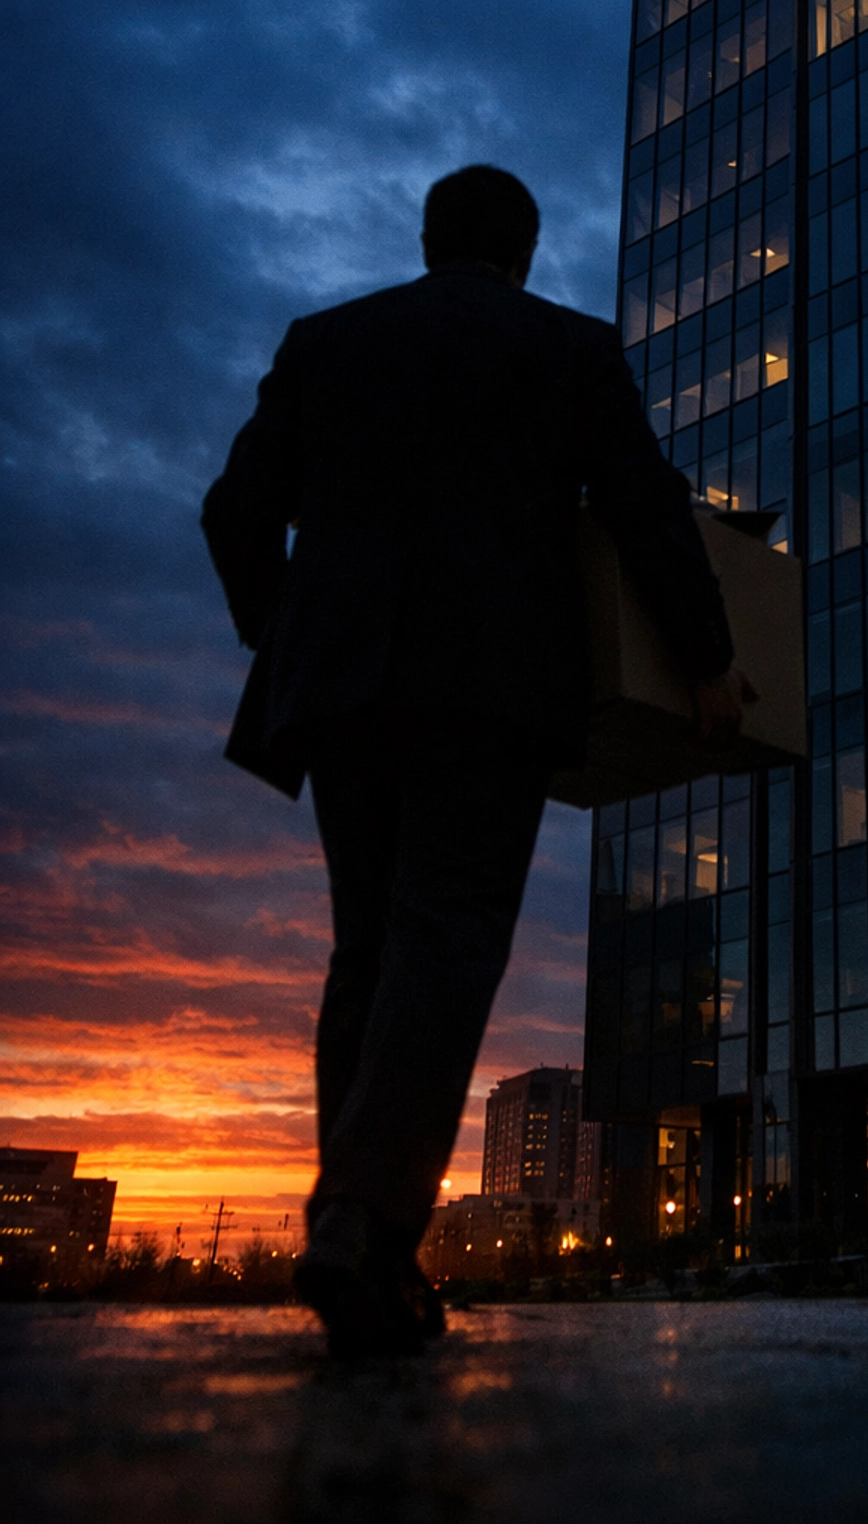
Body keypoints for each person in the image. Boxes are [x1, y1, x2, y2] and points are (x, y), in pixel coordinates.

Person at [202, 164, 746, 1356]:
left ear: (430, 238)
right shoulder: (569, 349)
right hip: (492, 689)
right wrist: (708, 660)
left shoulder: (326, 343)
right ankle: (358, 1219)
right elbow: (648, 509)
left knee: (373, 951)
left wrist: (287, 629)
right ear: (528, 252)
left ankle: (370, 1242)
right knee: (445, 940)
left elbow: (234, 514)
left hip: (341, 692)